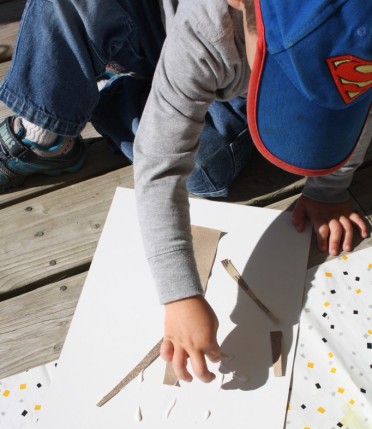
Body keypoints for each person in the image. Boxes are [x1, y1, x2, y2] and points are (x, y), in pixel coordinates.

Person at [1, 0, 371, 382]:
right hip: (166, 32)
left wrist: (328, 189)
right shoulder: (209, 27)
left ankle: (120, 93)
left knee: (205, 172)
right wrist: (180, 294)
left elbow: (357, 111)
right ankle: (45, 136)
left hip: (223, 84)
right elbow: (159, 163)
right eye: (281, 76)